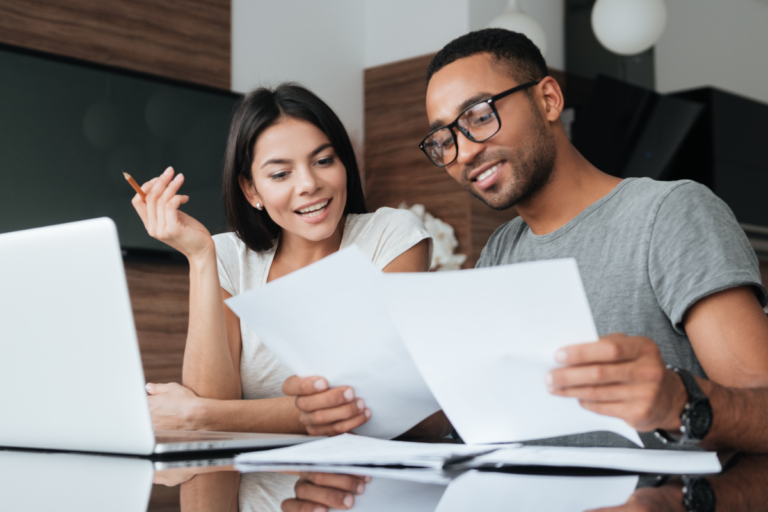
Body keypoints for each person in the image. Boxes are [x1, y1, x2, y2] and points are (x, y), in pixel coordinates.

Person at [290, 28, 768, 450]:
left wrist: (676, 401)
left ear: (548, 100)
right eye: (444, 139)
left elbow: (761, 406)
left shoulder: (669, 213)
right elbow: (476, 416)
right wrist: (357, 409)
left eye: (478, 115)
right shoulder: (500, 250)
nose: (464, 153)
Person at [130, 83, 437, 438]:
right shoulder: (229, 256)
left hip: (360, 487)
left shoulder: (391, 236)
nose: (309, 184)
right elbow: (213, 400)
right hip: (246, 489)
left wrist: (200, 415)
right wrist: (200, 258)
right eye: (280, 174)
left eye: (323, 161)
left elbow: (370, 403)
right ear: (251, 190)